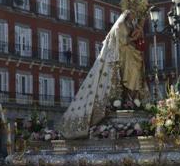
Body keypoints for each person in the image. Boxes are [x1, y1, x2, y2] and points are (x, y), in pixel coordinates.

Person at [60, 10, 148, 139]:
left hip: (131, 54)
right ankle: (125, 99)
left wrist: (139, 33)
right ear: (128, 13)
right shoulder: (120, 25)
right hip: (123, 55)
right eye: (133, 12)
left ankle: (132, 98)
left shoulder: (132, 25)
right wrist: (134, 37)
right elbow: (123, 41)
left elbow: (136, 40)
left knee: (137, 67)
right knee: (129, 68)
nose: (135, 15)